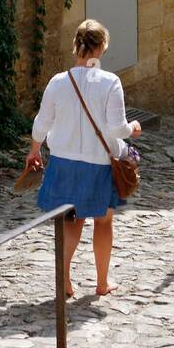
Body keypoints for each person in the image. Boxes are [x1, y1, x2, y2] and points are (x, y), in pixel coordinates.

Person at [26, 19, 142, 297]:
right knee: (103, 222)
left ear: (76, 45)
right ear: (102, 47)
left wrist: (33, 150)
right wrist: (132, 129)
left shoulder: (58, 82)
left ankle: (64, 280)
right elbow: (117, 128)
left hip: (64, 162)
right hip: (98, 164)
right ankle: (102, 283)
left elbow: (42, 123)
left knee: (71, 221)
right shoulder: (110, 82)